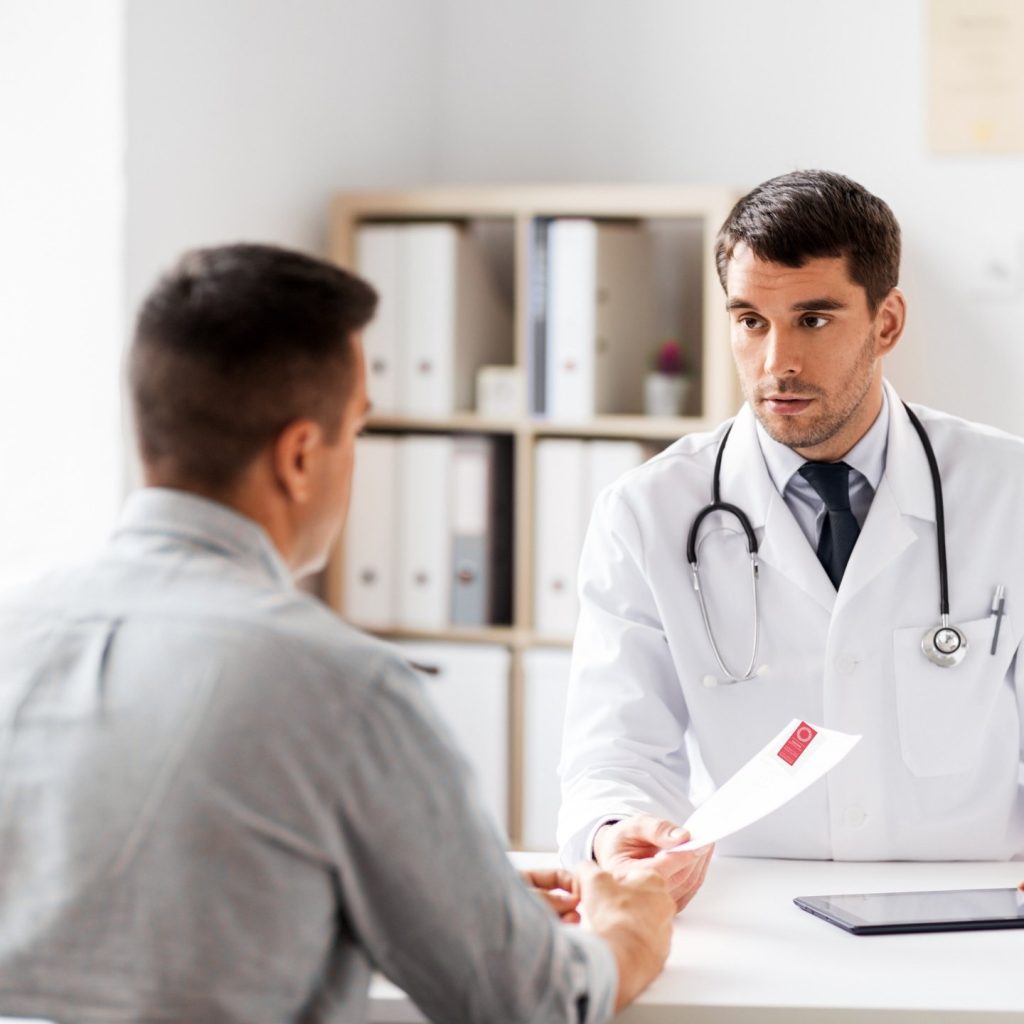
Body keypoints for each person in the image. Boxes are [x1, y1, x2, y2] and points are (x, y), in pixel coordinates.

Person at [0, 244, 678, 1023]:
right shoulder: (343, 687)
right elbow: (530, 1002)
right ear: (298, 457)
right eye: (357, 428)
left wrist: (447, 895)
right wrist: (630, 934)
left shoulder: (14, 629)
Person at [558, 170, 1024, 889]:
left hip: (968, 907)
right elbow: (616, 749)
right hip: (753, 907)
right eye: (751, 321)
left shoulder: (1007, 490)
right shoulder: (647, 512)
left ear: (887, 322)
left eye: (813, 320)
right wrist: (618, 829)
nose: (777, 364)